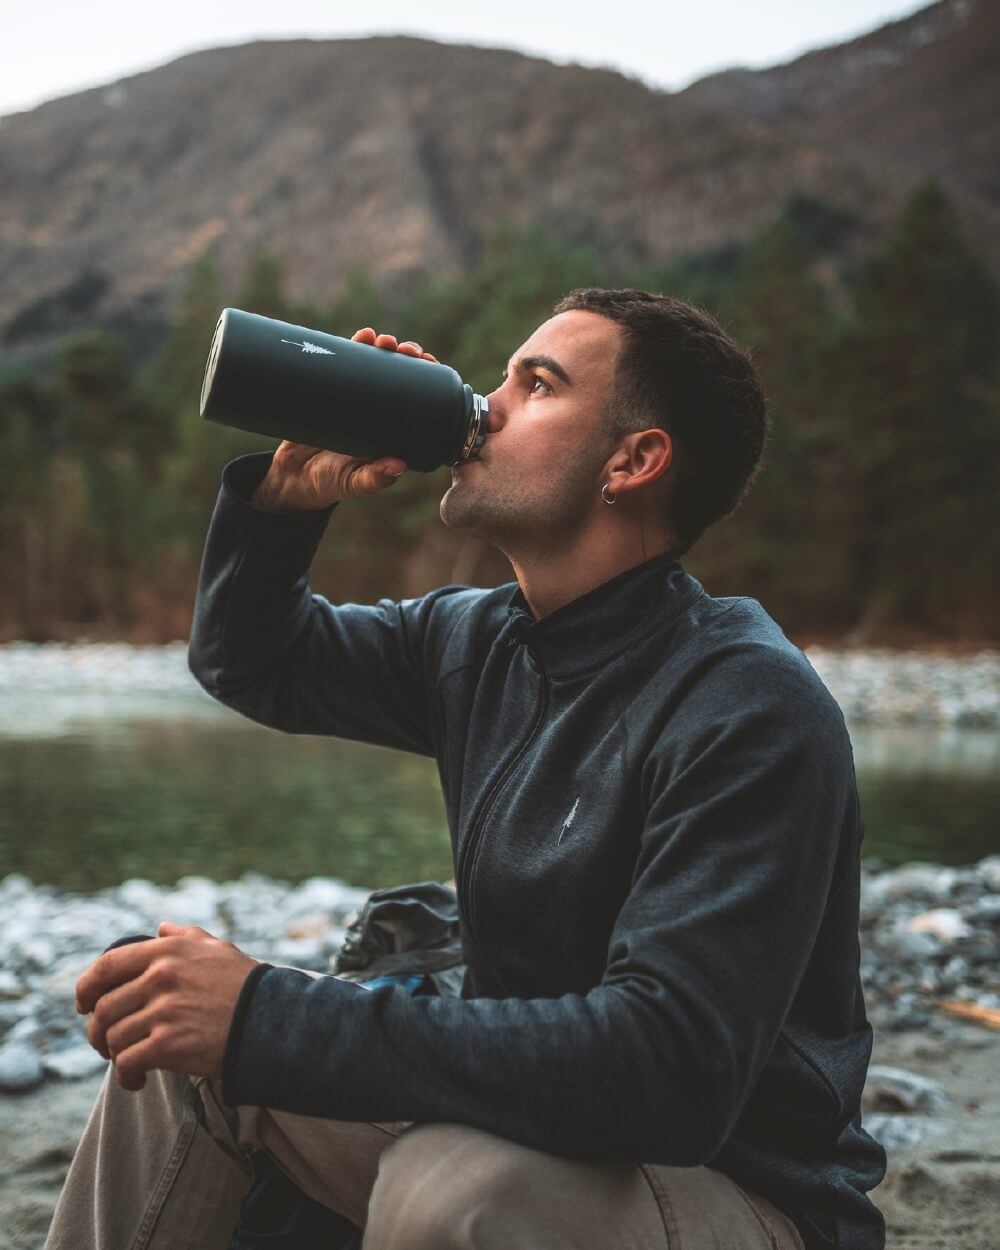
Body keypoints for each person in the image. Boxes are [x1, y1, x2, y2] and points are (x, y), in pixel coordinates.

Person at [46, 288, 887, 1250]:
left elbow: (672, 1070)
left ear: (634, 460)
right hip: (535, 1128)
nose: (486, 406)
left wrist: (271, 1014)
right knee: (182, 1051)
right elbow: (257, 662)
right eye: (500, 377)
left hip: (738, 1192)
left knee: (458, 1183)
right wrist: (287, 503)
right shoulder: (480, 641)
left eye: (537, 385)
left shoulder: (746, 704)